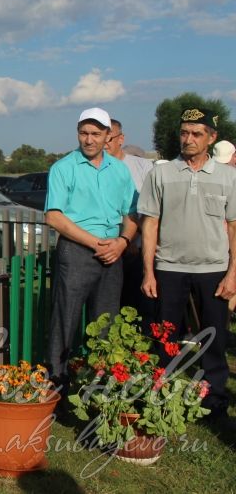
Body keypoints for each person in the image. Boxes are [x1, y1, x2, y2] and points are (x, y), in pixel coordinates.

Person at [139, 107, 236, 422]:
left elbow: (234, 227)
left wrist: (233, 274)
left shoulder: (229, 176)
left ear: (211, 137)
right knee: (165, 336)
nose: (188, 139)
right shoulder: (161, 174)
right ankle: (163, 394)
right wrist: (149, 271)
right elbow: (150, 224)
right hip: (169, 268)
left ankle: (215, 399)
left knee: (215, 337)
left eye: (196, 133)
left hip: (213, 269)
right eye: (184, 133)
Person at [44, 108, 137, 389]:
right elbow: (54, 216)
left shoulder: (120, 170)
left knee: (106, 322)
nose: (89, 139)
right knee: (66, 319)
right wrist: (95, 242)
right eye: (84, 133)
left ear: (109, 136)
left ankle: (100, 386)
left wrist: (122, 242)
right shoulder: (63, 168)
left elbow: (132, 214)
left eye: (96, 133)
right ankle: (57, 384)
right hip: (77, 252)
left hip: (113, 253)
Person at [104, 118, 154, 314]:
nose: (104, 144)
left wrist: (131, 239)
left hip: (138, 246)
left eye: (110, 139)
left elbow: (150, 208)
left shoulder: (143, 167)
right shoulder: (96, 167)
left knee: (138, 303)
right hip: (107, 244)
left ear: (120, 139)